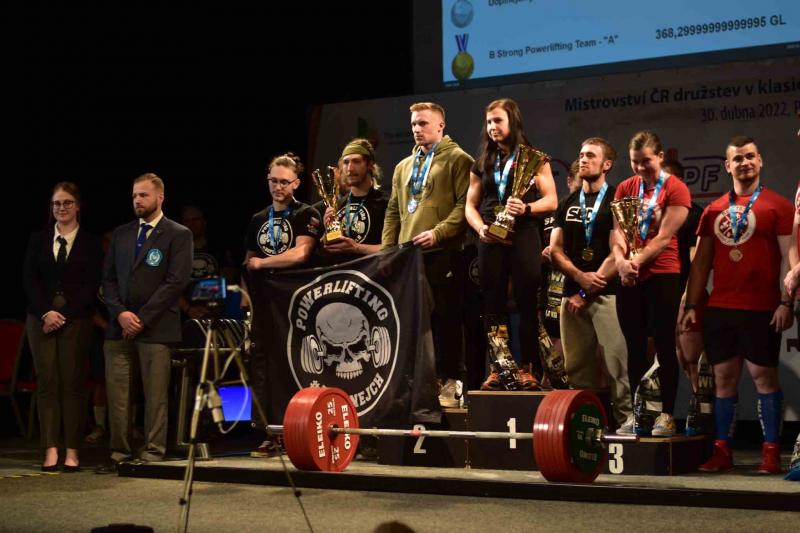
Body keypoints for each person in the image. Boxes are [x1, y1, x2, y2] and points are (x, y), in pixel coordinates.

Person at [683, 136, 793, 474]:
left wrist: (786, 302)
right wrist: (691, 304)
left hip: (762, 307)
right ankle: (722, 451)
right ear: (727, 166)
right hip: (721, 307)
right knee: (723, 381)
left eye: (750, 157)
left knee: (764, 379)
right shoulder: (713, 210)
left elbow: (790, 260)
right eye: (738, 159)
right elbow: (700, 264)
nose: (744, 163)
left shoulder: (779, 206)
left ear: (760, 161)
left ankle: (771, 452)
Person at [99, 173, 193, 471]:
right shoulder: (122, 234)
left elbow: (175, 282)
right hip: (120, 328)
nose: (137, 200)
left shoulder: (178, 234)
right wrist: (121, 314)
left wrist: (141, 318)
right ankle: (120, 453)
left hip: (156, 327)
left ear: (160, 197)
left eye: (143, 195)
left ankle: (153, 451)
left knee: (155, 396)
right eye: (134, 196)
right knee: (118, 396)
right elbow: (108, 280)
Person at [382, 102, 473, 407]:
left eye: (423, 123)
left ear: (440, 126)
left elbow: (465, 207)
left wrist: (439, 232)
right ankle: (422, 382)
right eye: (413, 124)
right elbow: (393, 211)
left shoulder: (459, 160)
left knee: (447, 320)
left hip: (444, 251)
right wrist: (388, 251)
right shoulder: (403, 167)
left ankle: (452, 381)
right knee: (414, 323)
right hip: (409, 257)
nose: (417, 129)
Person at [464, 98, 557, 389]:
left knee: (527, 300)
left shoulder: (534, 158)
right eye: (489, 122)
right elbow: (470, 205)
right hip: (490, 238)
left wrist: (527, 208)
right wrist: (480, 228)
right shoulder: (482, 162)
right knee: (492, 302)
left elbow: (551, 200)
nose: (492, 127)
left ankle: (528, 367)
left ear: (513, 122)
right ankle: (499, 367)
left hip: (524, 234)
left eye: (498, 121)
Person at [550, 138, 634, 432]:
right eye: (581, 154)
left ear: (607, 164)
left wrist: (587, 289)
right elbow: (555, 250)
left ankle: (627, 421)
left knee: (616, 364)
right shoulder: (567, 203)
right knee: (576, 369)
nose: (583, 160)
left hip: (606, 294)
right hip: (571, 295)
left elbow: (619, 250)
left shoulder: (616, 201)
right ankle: (585, 424)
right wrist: (578, 278)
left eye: (591, 156)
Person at [612, 131, 690, 437]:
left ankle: (667, 415)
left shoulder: (676, 188)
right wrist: (620, 261)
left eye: (646, 161)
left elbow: (663, 238)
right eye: (635, 162)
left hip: (663, 273)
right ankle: (638, 413)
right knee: (633, 346)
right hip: (628, 275)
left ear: (660, 157)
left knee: (663, 344)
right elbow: (618, 232)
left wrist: (635, 262)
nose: (641, 167)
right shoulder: (625, 187)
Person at [244, 153, 320, 456]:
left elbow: (301, 254)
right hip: (263, 304)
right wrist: (247, 295)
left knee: (291, 366)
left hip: (295, 304)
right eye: (273, 181)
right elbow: (247, 261)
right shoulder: (258, 219)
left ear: (296, 183)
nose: (278, 187)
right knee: (262, 367)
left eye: (284, 182)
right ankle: (267, 433)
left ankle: (295, 431)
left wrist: (263, 263)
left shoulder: (306, 213)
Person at [23, 182, 103, 471]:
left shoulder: (91, 243)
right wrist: (47, 313)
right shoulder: (38, 239)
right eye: (57, 203)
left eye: (67, 202)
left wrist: (63, 314)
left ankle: (72, 450)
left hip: (76, 319)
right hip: (40, 320)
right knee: (47, 384)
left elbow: (91, 284)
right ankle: (50, 448)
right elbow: (29, 280)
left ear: (78, 206)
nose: (61, 208)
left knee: (72, 384)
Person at [321, 138, 389, 264]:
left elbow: (394, 248)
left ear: (370, 165)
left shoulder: (386, 204)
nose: (350, 168)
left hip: (372, 274)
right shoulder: (336, 205)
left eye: (356, 162)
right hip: (341, 274)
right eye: (346, 162)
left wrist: (357, 248)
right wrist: (328, 233)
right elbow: (325, 251)